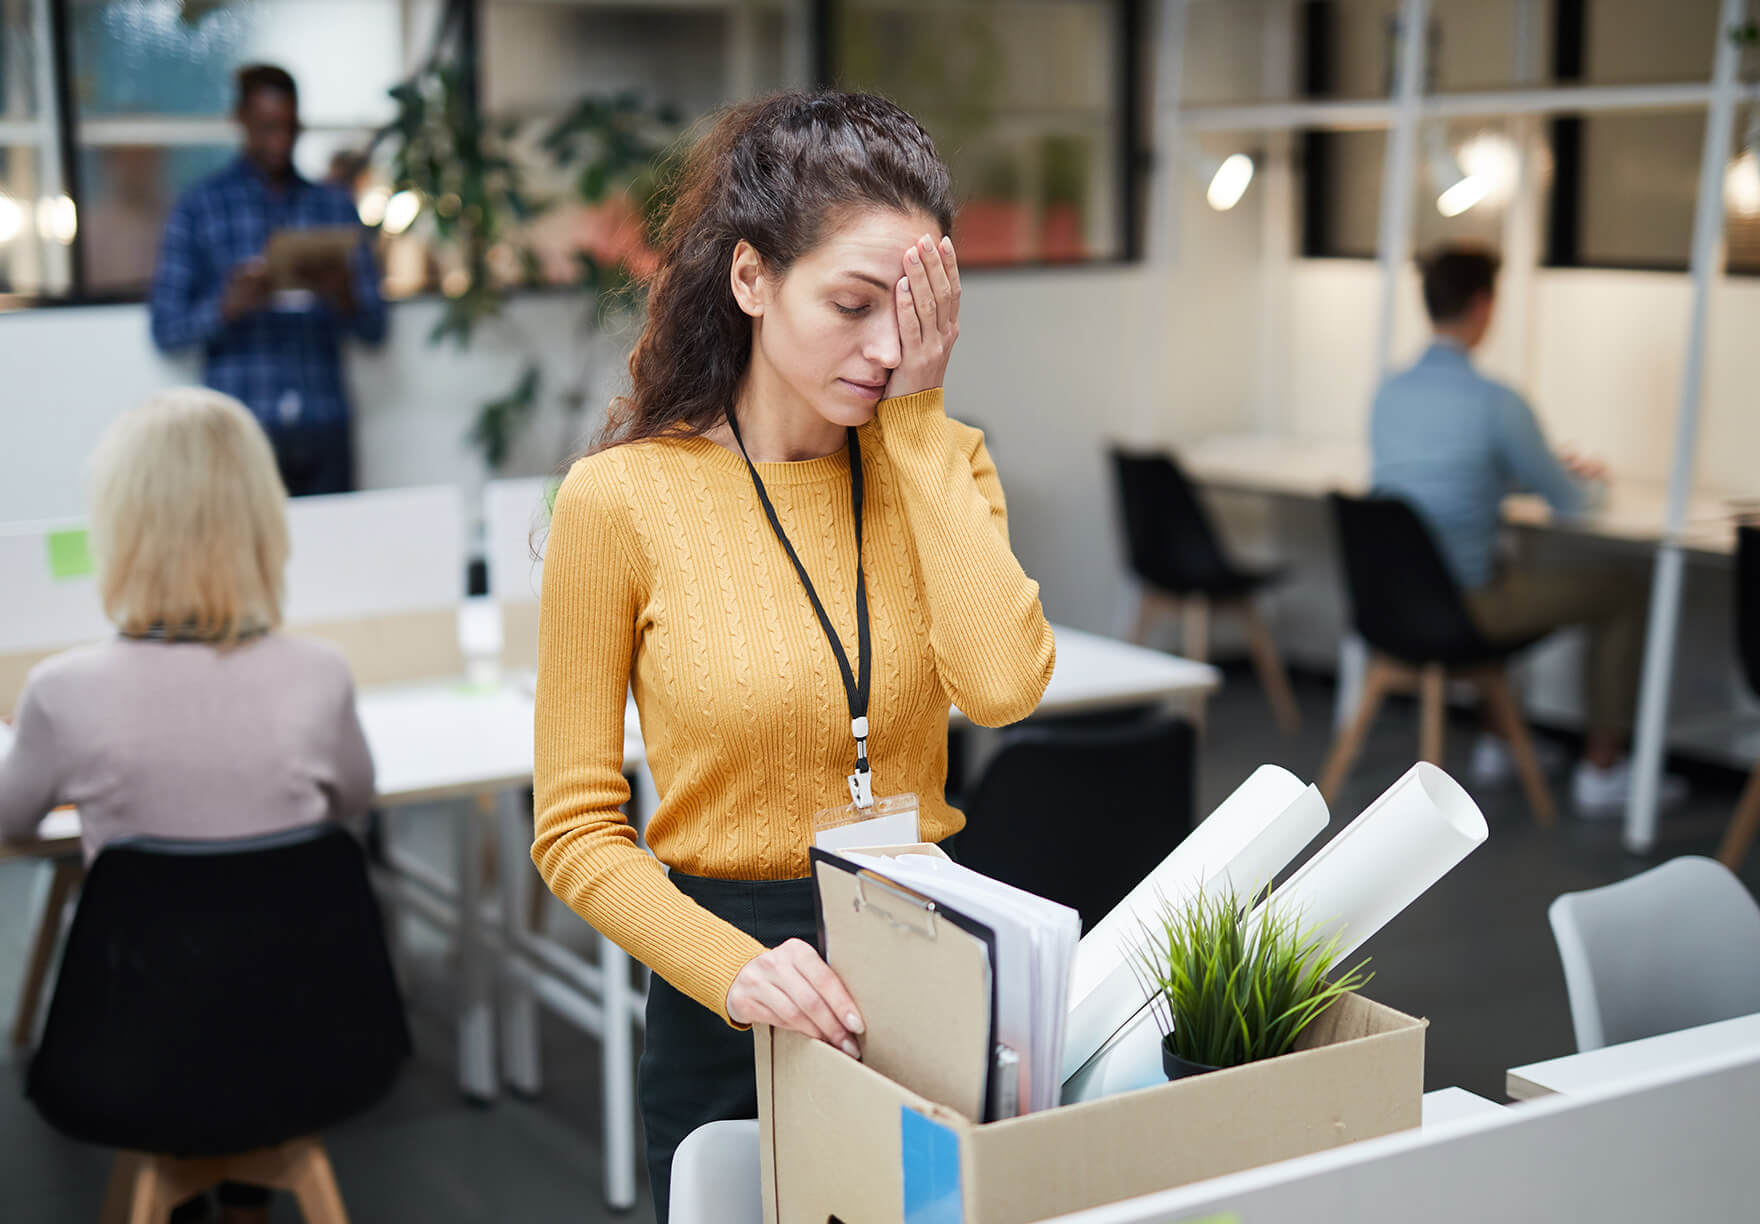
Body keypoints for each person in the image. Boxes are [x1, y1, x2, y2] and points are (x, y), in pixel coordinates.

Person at [530, 92, 1056, 1221]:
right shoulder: (622, 499)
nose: (882, 349)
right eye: (852, 304)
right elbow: (572, 830)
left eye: (910, 315)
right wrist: (729, 968)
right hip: (731, 973)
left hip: (925, 951)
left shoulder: (939, 463)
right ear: (751, 279)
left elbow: (1004, 689)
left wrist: (915, 422)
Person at [0, 387, 374, 1224]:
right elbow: (354, 797)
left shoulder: (63, 692)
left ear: (123, 529)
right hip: (304, 1043)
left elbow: (10, 821)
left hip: (131, 1055)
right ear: (261, 522)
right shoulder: (319, 675)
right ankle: (244, 1197)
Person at [1370, 243, 1675, 814]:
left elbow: (1442, 479)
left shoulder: (1389, 392)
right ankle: (1603, 770)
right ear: (1484, 304)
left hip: (1397, 604)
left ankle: (1497, 741)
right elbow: (1573, 505)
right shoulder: (1496, 402)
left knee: (1509, 569)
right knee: (1625, 589)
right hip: (1466, 606)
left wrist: (1514, 479)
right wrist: (1586, 479)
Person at [148, 64, 387, 497]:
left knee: (336, 554)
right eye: (267, 126)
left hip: (323, 424)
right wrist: (228, 306)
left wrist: (343, 294)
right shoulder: (199, 207)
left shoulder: (333, 206)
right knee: (240, 561)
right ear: (239, 120)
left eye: (290, 127)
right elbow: (165, 329)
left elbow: (375, 328)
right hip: (239, 430)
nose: (280, 139)